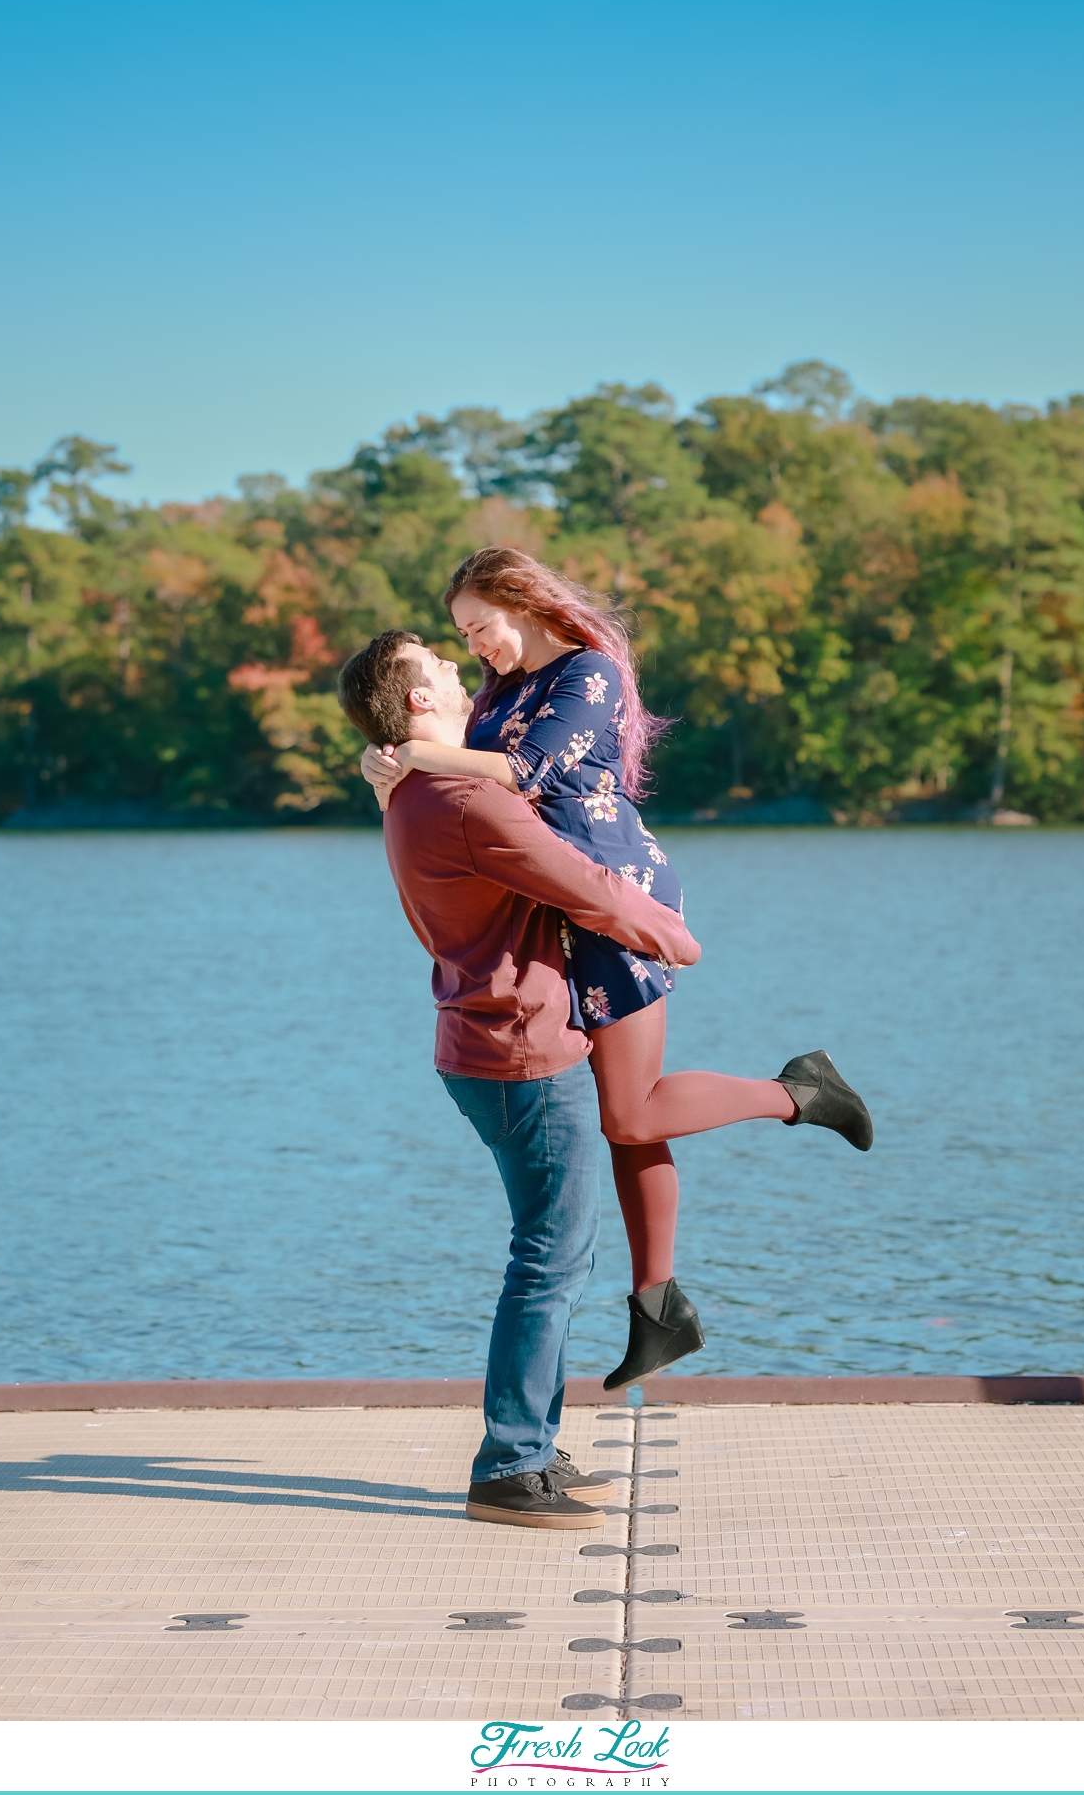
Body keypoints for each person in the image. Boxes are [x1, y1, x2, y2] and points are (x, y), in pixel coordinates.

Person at [358, 547, 873, 1393]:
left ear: (520, 604)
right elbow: (460, 777)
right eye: (460, 635)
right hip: (559, 909)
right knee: (625, 1117)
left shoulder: (586, 675)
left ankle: (802, 1093)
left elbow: (521, 775)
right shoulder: (497, 690)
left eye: (477, 626)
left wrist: (414, 755)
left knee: (631, 1113)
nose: (474, 646)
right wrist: (388, 764)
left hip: (614, 899)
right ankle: (658, 1311)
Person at [337, 627, 704, 1530]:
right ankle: (509, 1467)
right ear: (419, 700)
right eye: (440, 664)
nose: (460, 668)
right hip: (525, 1054)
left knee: (549, 1257)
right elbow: (585, 885)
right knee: (549, 1262)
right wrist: (672, 936)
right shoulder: (465, 801)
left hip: (487, 1045)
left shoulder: (423, 789)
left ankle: (532, 1445)